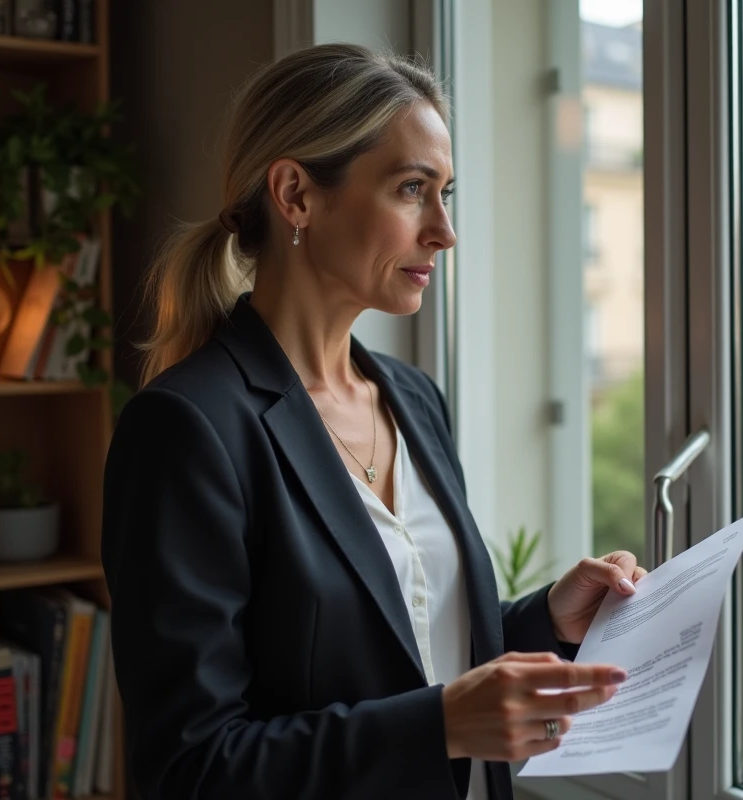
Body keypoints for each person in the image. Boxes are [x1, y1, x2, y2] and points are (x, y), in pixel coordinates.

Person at [100, 43, 648, 800]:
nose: (444, 230)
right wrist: (440, 726)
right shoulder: (186, 430)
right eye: (411, 189)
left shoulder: (413, 399)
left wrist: (544, 621)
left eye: (445, 193)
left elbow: (406, 638)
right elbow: (189, 770)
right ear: (295, 195)